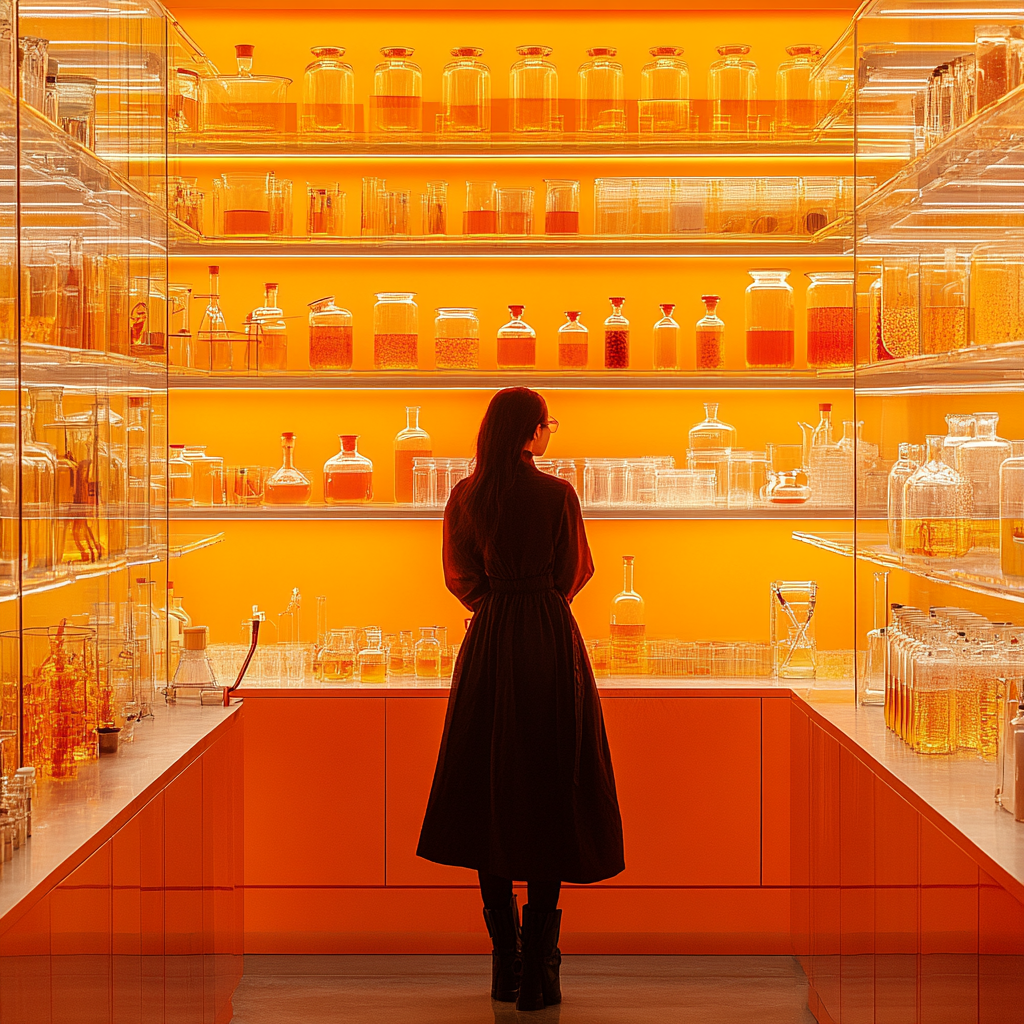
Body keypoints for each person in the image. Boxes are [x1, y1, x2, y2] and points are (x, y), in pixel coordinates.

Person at [417, 387, 624, 1012]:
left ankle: (503, 960)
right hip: (549, 640)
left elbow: (459, 576)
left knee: (490, 790)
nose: (550, 434)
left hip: (491, 645)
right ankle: (542, 966)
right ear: (532, 433)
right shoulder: (557, 494)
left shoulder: (465, 496)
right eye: (547, 425)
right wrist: (535, 601)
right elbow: (574, 572)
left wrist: (496, 606)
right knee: (548, 787)